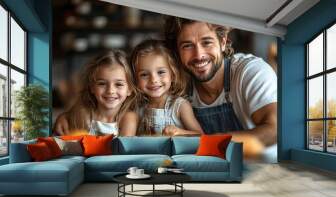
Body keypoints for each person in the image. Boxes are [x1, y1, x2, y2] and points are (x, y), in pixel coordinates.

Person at [164, 17, 277, 159]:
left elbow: (274, 130)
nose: (199, 55)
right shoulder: (179, 86)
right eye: (187, 46)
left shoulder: (251, 71)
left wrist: (208, 142)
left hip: (263, 169)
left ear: (223, 43)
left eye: (206, 42)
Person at [53, 50, 138, 136]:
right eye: (102, 83)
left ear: (130, 89)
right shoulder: (83, 114)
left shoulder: (128, 118)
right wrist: (63, 117)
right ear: (92, 87)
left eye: (119, 84)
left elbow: (124, 148)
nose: (110, 91)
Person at [130, 39, 203, 136]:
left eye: (161, 72)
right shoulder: (139, 109)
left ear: (172, 75)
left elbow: (200, 135)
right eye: (144, 74)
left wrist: (180, 132)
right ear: (136, 79)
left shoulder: (179, 106)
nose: (153, 80)